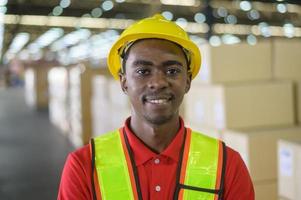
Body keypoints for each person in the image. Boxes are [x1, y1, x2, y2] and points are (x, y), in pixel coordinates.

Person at [58, 14, 254, 200]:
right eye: (143, 71)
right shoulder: (84, 166)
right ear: (124, 82)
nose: (158, 82)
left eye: (172, 70)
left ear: (187, 81)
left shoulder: (226, 165)